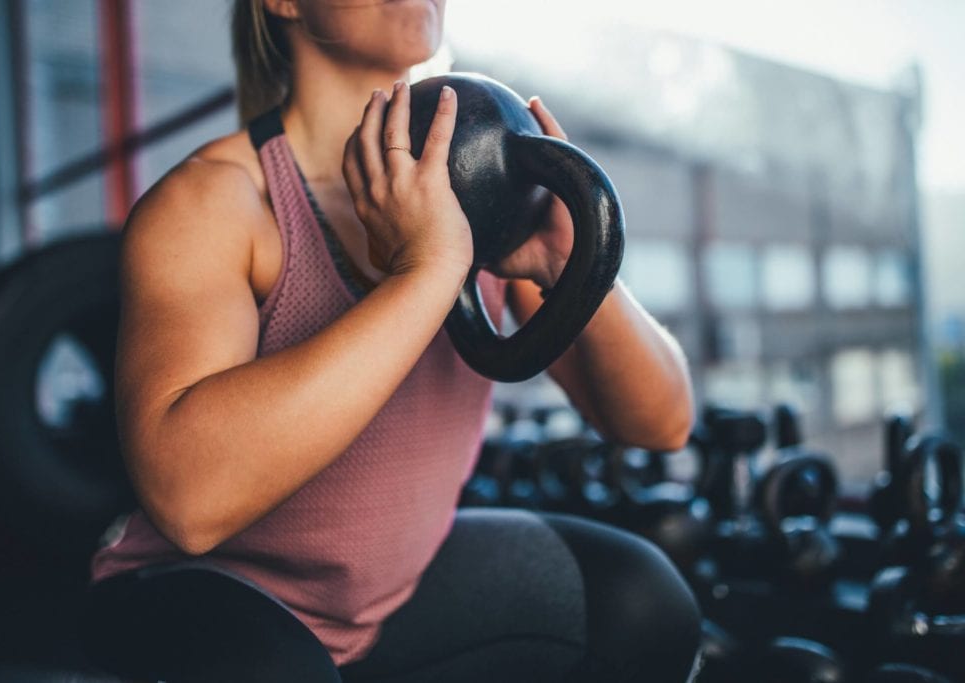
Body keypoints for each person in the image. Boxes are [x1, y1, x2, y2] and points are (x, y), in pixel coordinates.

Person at [78, 1, 702, 681]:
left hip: (384, 602)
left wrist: (569, 267)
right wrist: (428, 271)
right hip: (208, 597)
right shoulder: (219, 204)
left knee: (642, 603)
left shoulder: (480, 188)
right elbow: (188, 501)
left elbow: (660, 423)